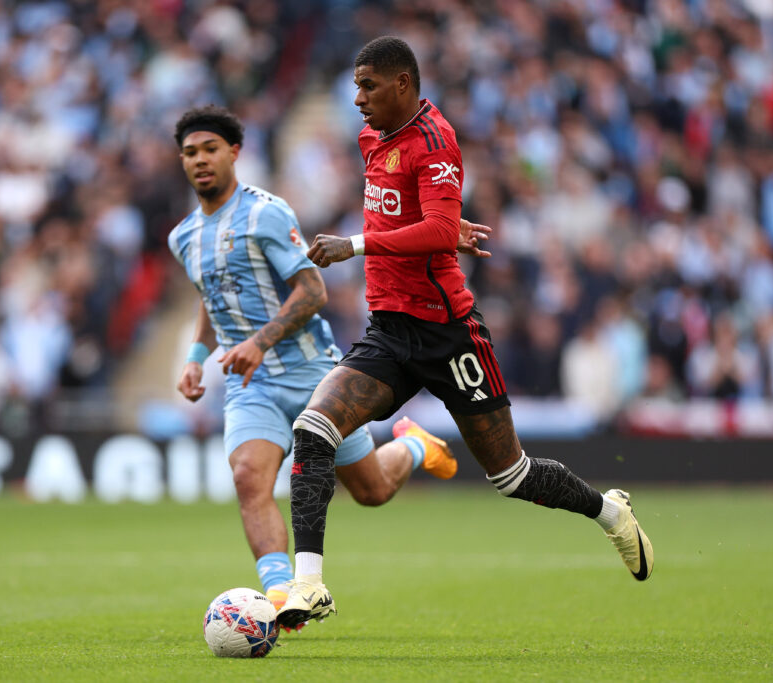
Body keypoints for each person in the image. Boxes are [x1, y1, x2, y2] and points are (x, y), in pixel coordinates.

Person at [276, 37, 653, 629]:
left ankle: (609, 513)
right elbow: (417, 217)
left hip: (448, 333)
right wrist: (443, 226)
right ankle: (309, 585)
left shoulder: (436, 140)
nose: (358, 99)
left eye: (368, 86)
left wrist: (362, 243)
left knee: (512, 475)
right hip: (389, 329)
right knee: (313, 428)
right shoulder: (372, 137)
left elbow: (430, 227)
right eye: (355, 86)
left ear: (403, 83)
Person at [167, 105, 461, 621]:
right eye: (190, 153)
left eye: (210, 149)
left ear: (234, 153)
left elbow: (312, 290)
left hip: (310, 373)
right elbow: (211, 298)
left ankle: (414, 445)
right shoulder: (183, 236)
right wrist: (195, 357)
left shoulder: (266, 214)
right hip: (250, 384)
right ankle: (281, 596)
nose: (200, 160)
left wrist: (259, 341)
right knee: (248, 477)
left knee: (371, 490)